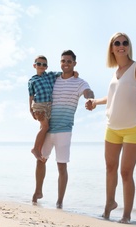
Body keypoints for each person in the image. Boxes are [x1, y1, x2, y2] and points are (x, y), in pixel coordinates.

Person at [85, 32, 136, 223]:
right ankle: (109, 205)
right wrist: (95, 102)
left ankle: (126, 215)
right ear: (112, 48)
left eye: (125, 42)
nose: (121, 45)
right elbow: (113, 97)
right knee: (110, 168)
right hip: (112, 127)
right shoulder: (115, 73)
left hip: (133, 128)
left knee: (126, 173)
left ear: (128, 46)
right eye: (117, 43)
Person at [32, 50, 95, 208]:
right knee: (40, 159)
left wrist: (90, 98)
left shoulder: (80, 82)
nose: (65, 64)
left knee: (62, 166)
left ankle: (59, 201)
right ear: (60, 63)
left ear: (74, 63)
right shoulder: (53, 79)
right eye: (63, 61)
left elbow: (88, 91)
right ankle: (38, 191)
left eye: (69, 61)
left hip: (64, 130)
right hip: (48, 128)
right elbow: (39, 88)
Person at [28, 55, 60, 161]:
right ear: (34, 65)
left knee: (44, 128)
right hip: (39, 105)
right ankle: (35, 149)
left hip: (49, 105)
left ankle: (39, 149)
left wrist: (74, 73)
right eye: (39, 64)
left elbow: (64, 73)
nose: (41, 66)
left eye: (44, 64)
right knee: (45, 127)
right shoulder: (32, 80)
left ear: (46, 67)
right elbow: (31, 96)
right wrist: (30, 109)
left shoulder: (50, 75)